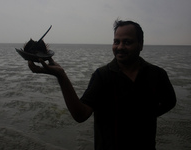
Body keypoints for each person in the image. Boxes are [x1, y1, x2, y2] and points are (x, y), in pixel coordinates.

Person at [28, 20, 176, 150]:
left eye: (127, 42)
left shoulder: (157, 74)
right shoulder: (102, 76)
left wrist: (145, 117)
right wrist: (61, 76)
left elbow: (170, 101)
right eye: (116, 41)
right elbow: (81, 115)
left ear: (141, 44)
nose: (120, 47)